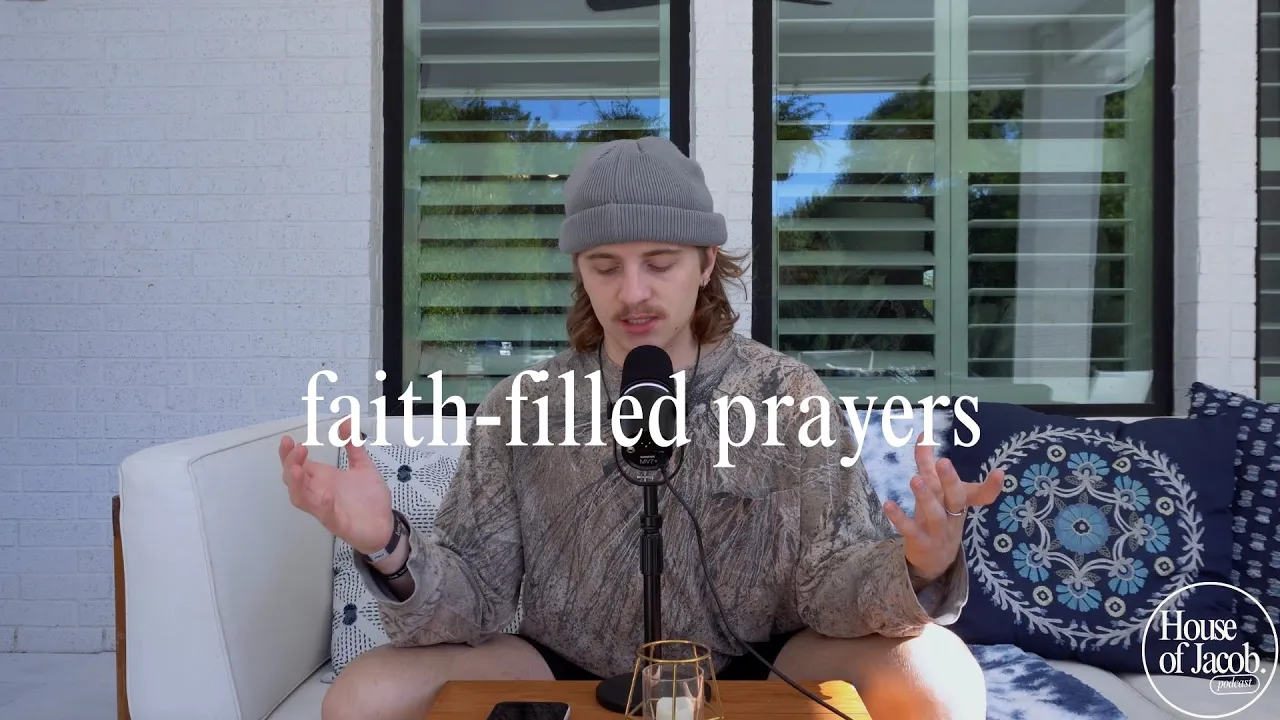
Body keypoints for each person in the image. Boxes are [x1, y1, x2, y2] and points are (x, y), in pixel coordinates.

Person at [279, 136, 1004, 720]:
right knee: (362, 697)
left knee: (937, 675)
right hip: (567, 661)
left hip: (758, 659)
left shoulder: (786, 394)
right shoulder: (523, 406)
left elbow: (830, 583)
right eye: (605, 267)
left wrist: (918, 567)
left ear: (706, 263)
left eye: (659, 263)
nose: (632, 293)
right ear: (580, 272)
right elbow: (478, 598)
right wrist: (386, 543)